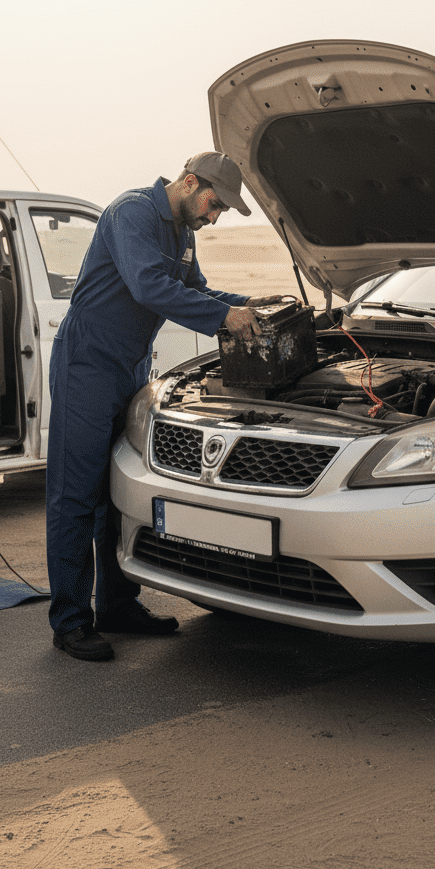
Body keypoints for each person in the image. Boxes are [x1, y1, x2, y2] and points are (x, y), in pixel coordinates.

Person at [46, 152, 283, 661]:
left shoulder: (183, 231)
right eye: (214, 203)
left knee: (115, 493)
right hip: (86, 366)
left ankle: (118, 606)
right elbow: (151, 287)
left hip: (130, 367)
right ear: (190, 182)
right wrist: (225, 317)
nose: (214, 216)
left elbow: (193, 290)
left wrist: (252, 304)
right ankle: (69, 620)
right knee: (75, 496)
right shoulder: (131, 213)